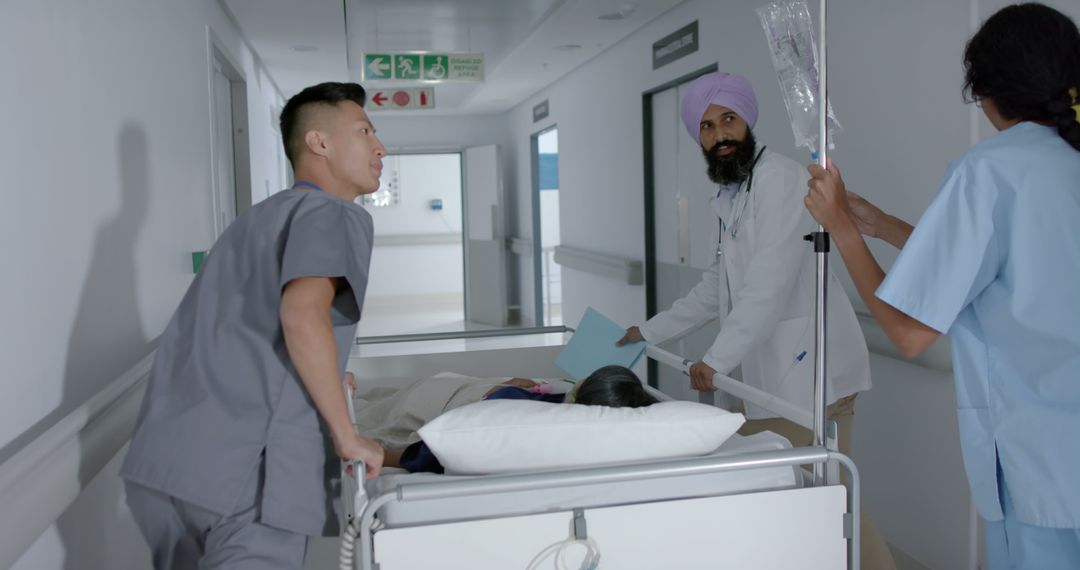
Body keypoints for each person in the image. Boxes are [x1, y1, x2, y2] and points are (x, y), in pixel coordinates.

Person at [804, 4, 1080, 567]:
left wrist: (842, 233)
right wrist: (881, 226)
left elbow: (907, 332)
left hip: (1041, 472)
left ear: (988, 88)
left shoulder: (986, 171)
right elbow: (1007, 264)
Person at [120, 82, 388, 569]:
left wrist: (327, 378)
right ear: (319, 143)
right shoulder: (331, 213)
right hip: (251, 476)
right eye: (365, 130)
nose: (380, 146)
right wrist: (346, 434)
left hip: (169, 465)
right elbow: (302, 316)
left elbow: (243, 335)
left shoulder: (256, 221)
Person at [383, 365, 658, 473]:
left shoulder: (521, 415)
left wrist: (381, 455)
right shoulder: (565, 400)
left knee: (393, 401)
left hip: (454, 403)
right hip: (477, 393)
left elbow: (427, 453)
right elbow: (560, 386)